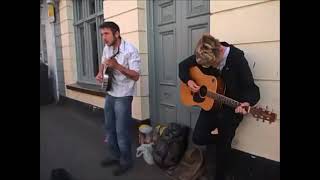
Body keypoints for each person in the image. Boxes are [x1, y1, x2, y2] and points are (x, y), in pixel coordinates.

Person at [178, 33, 260, 180]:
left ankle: (220, 172)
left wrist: (247, 103)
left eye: (211, 65)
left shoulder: (237, 59)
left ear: (219, 52)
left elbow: (252, 89)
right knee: (198, 137)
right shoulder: (205, 51)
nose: (209, 68)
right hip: (211, 104)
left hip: (230, 108)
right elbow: (183, 66)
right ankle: (221, 138)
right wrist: (189, 80)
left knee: (222, 151)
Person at [95, 21, 141, 176]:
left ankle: (126, 161)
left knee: (122, 131)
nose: (104, 38)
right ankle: (114, 156)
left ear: (116, 33)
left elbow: (136, 76)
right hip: (110, 93)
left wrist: (117, 66)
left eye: (106, 34)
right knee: (109, 128)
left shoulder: (130, 50)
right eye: (102, 34)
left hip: (123, 95)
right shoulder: (107, 48)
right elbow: (103, 62)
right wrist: (100, 73)